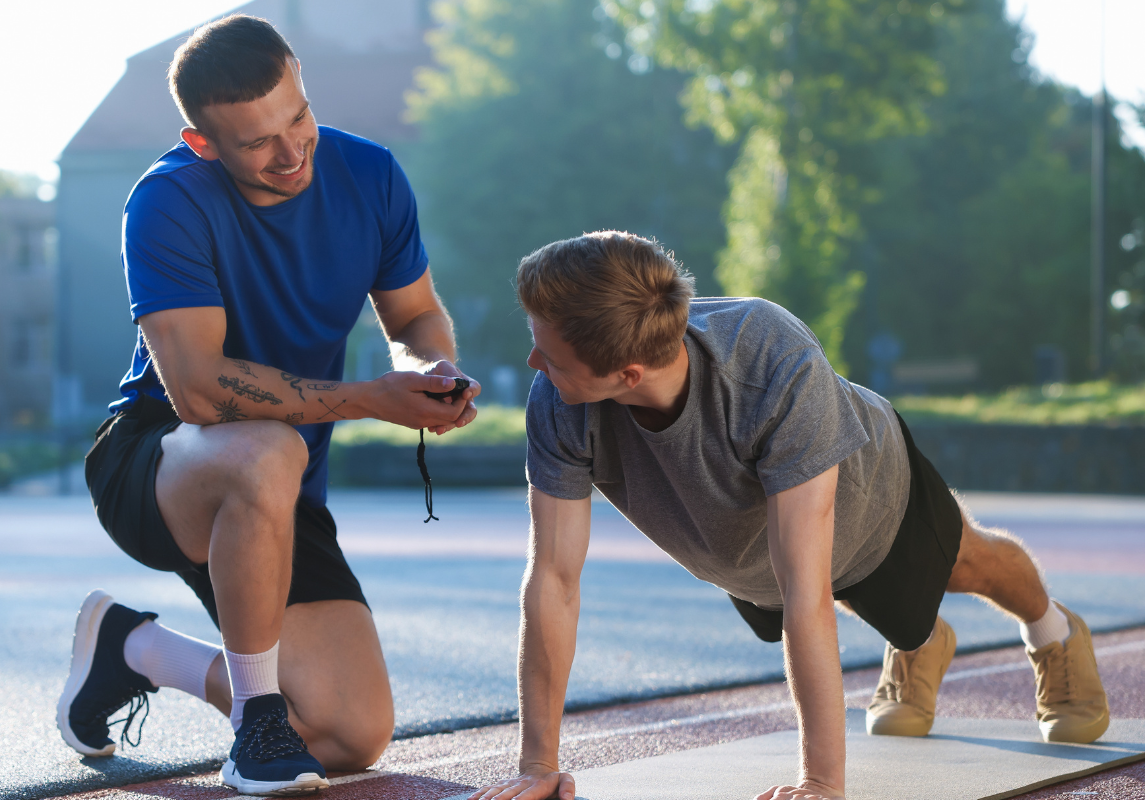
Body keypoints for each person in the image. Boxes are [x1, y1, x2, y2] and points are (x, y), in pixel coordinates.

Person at [472, 231, 1110, 800]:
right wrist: (537, 766)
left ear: (627, 372)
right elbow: (553, 578)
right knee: (864, 599)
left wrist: (821, 785)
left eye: (548, 356)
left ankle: (1053, 632)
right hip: (744, 547)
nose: (534, 365)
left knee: (967, 564)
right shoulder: (561, 395)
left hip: (875, 495)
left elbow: (808, 590)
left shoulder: (772, 364)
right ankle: (917, 638)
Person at [57, 14, 480, 797]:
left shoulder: (373, 175)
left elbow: (415, 312)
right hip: (161, 459)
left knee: (350, 734)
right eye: (257, 143)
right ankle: (257, 725)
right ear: (203, 144)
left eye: (299, 117)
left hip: (279, 485)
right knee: (266, 448)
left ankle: (131, 648)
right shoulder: (165, 202)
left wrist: (428, 368)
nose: (291, 153)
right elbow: (199, 390)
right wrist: (367, 400)